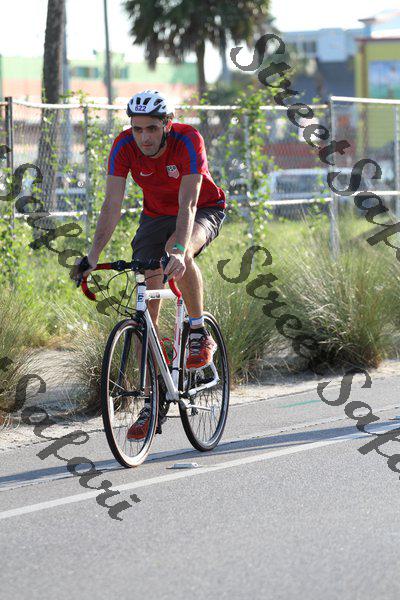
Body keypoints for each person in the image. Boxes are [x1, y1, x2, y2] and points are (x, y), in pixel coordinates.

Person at [71, 90, 226, 435]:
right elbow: (111, 205)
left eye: (152, 128)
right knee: (145, 316)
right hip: (155, 216)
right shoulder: (123, 145)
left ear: (167, 124)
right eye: (137, 129)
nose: (144, 137)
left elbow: (188, 204)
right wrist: (92, 257)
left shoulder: (188, 140)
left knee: (177, 250)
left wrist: (179, 249)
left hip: (203, 209)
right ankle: (151, 402)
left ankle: (198, 330)